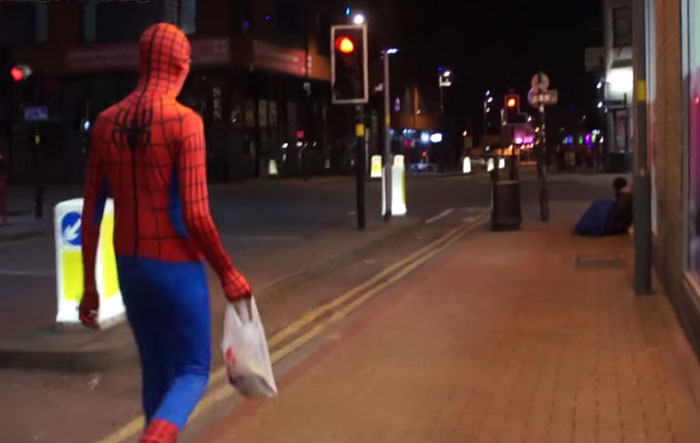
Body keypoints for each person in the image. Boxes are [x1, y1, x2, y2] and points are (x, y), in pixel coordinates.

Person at [78, 23, 252, 443]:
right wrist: (227, 272)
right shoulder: (184, 122)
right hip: (177, 265)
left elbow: (90, 211)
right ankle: (156, 435)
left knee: (154, 369)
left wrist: (89, 286)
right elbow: (195, 214)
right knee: (192, 370)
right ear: (181, 64)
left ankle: (155, 430)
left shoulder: (104, 123)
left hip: (130, 265)